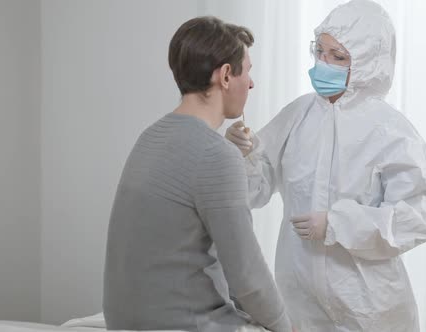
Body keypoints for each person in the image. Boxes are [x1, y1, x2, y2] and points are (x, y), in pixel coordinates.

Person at [225, 0, 426, 331]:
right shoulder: (298, 116)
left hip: (368, 305)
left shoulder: (388, 130)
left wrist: (340, 223)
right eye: (321, 50)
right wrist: (239, 154)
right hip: (300, 299)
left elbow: (422, 213)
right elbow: (254, 189)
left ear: (367, 64)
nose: (323, 63)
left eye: (339, 57)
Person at [103, 16, 294, 332]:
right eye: (247, 70)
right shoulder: (215, 155)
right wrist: (286, 327)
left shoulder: (151, 136)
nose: (252, 83)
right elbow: (248, 278)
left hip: (125, 320)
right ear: (226, 75)